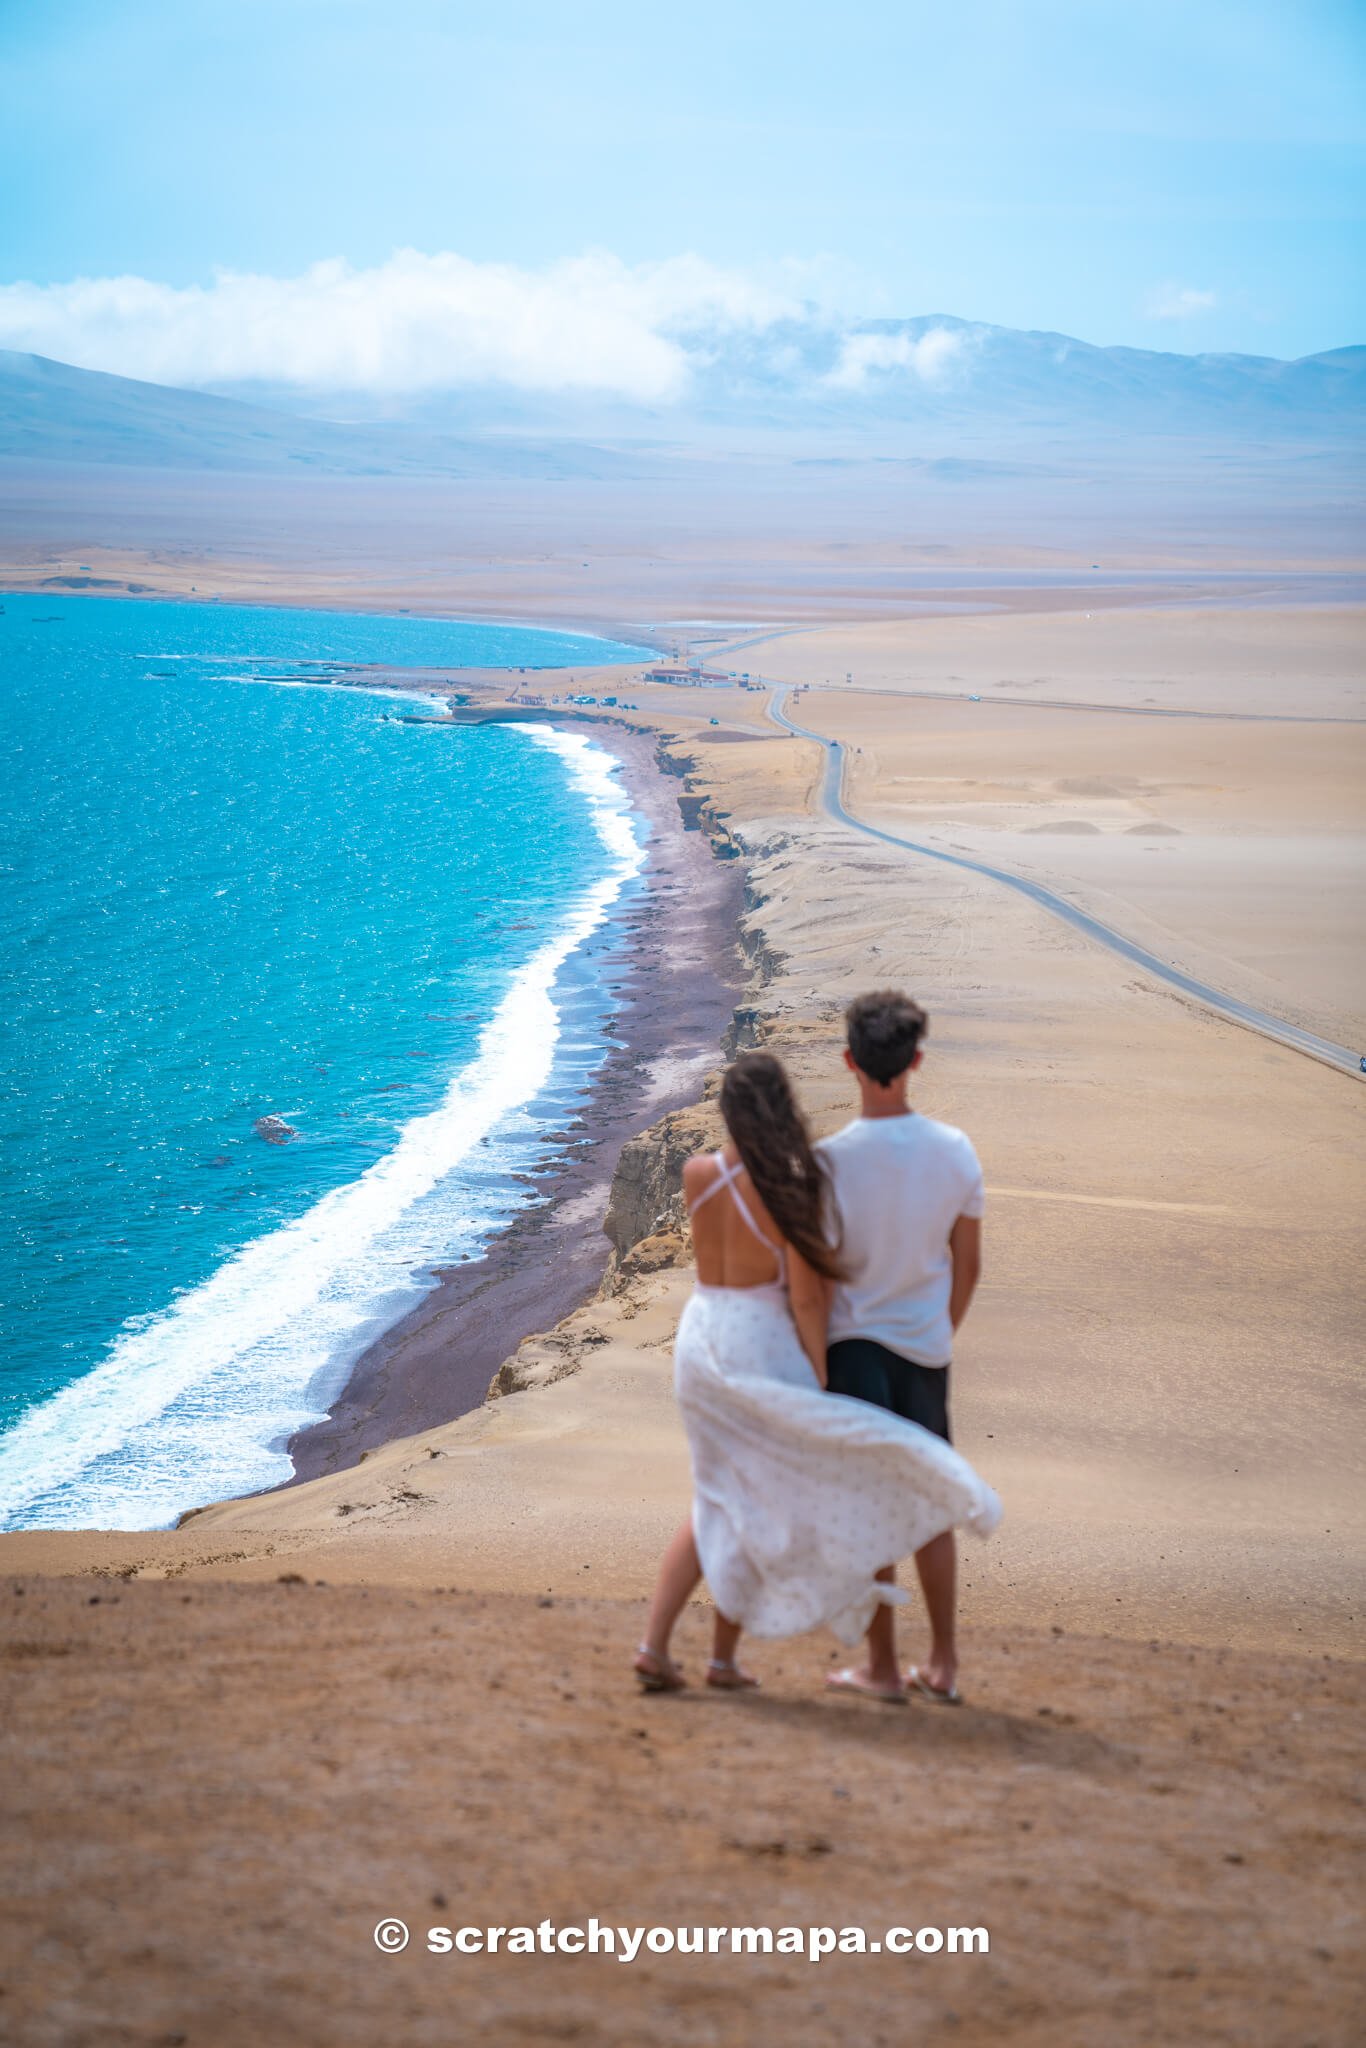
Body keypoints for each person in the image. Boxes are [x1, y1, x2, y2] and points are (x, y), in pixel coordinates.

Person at [633, 1049, 1000, 1695]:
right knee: (753, 1497)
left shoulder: (698, 1175)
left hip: (700, 1337)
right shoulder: (786, 1190)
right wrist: (820, 1372)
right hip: (758, 1343)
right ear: (783, 1111)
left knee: (719, 1494)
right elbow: (805, 1296)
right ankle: (718, 1657)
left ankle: (663, 1648)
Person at [819, 991, 986, 1705]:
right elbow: (969, 1263)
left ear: (850, 1062)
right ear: (916, 1059)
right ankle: (943, 1662)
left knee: (871, 1510)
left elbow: (819, 1272)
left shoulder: (828, 1162)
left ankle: (883, 1670)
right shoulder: (954, 1151)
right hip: (924, 1350)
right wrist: (938, 1330)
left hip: (852, 1349)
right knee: (930, 1506)